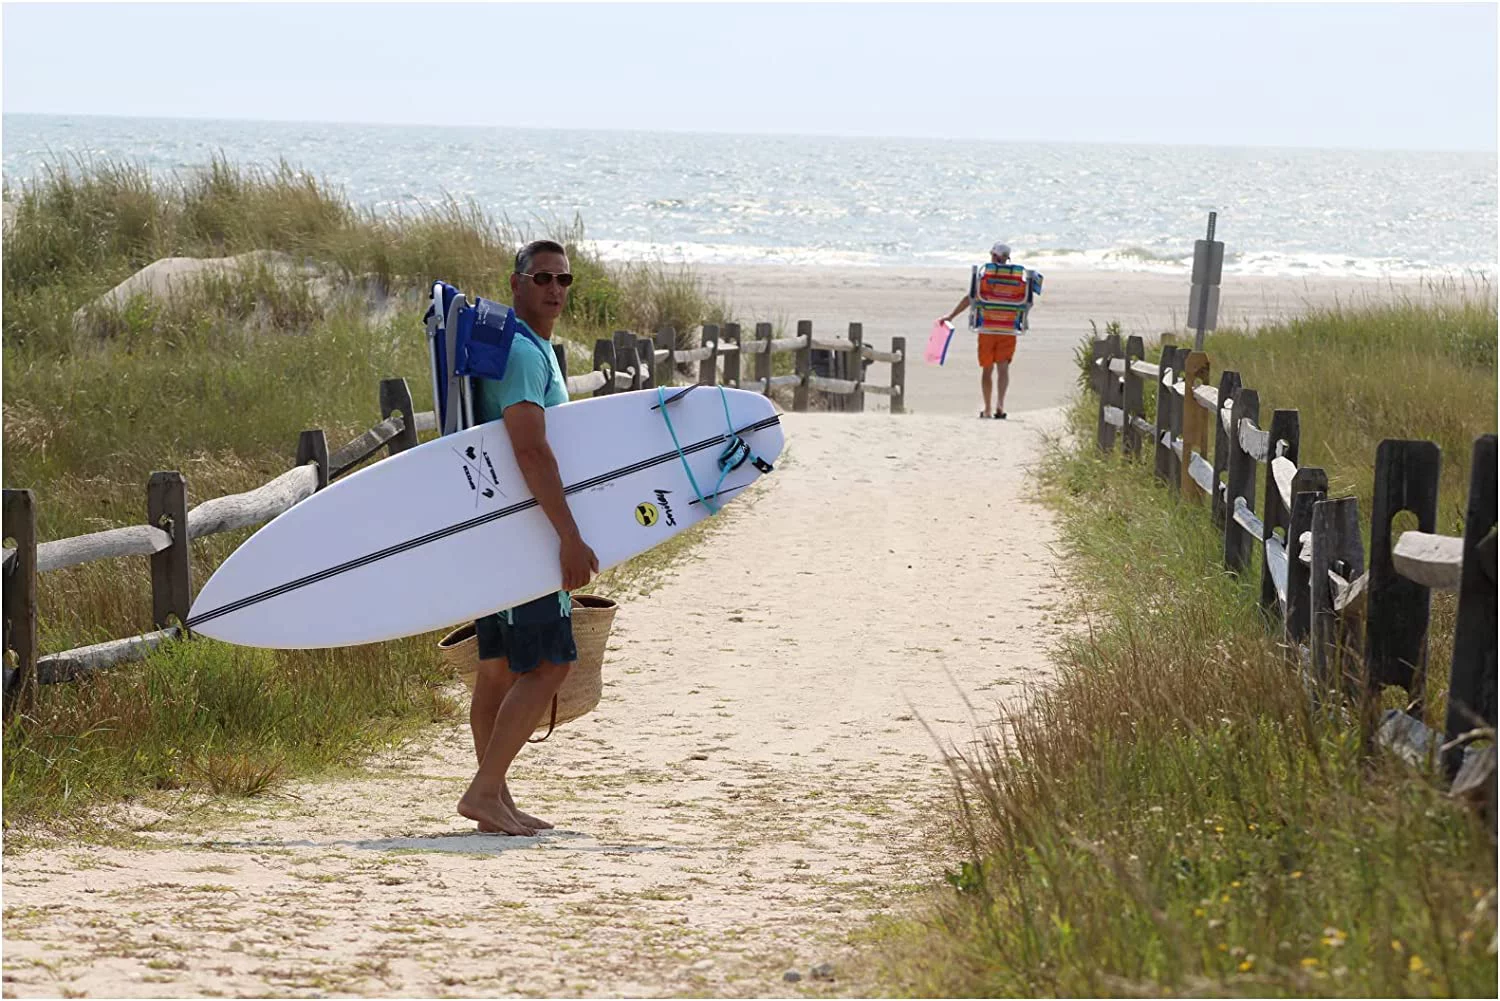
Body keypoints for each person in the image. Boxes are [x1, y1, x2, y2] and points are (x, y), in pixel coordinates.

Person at [456, 239, 599, 837]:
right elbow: (530, 448)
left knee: (497, 668)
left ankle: (496, 801)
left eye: (564, 280)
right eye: (542, 278)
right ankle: (485, 792)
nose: (554, 289)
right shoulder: (521, 354)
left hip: (499, 530)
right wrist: (568, 536)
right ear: (515, 284)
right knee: (548, 664)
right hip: (524, 533)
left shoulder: (527, 345)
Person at [940, 240, 1026, 420]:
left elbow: (970, 298)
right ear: (1007, 258)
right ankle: (1000, 405)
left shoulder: (985, 276)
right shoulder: (1017, 279)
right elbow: (1026, 302)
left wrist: (951, 316)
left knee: (987, 369)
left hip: (987, 326)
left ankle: (987, 408)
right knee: (1003, 368)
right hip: (1007, 328)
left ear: (994, 256)